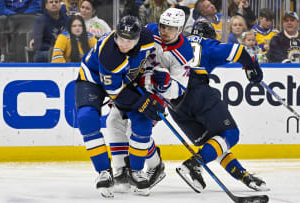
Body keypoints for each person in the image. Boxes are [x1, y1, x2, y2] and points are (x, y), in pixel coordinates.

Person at [157, 21, 267, 193]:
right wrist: (251, 66)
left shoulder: (178, 41)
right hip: (196, 91)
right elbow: (238, 51)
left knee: (215, 142)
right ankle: (193, 165)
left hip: (174, 103)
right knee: (231, 133)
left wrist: (242, 176)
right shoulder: (206, 43)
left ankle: (242, 174)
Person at [106, 7, 194, 193]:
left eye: (170, 28)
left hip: (156, 93)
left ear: (180, 29)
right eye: (163, 26)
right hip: (133, 84)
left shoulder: (184, 52)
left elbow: (179, 89)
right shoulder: (149, 31)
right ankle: (121, 171)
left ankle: (151, 166)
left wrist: (166, 84)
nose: (164, 31)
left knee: (135, 128)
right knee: (113, 120)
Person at [75, 15, 164, 197]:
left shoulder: (148, 37)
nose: (123, 43)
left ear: (139, 38)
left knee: (143, 121)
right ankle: (103, 171)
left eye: (129, 40)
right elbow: (115, 93)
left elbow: (166, 34)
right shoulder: (110, 54)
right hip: (93, 79)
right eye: (120, 38)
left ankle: (135, 171)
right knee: (86, 118)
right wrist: (142, 101)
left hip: (124, 80)